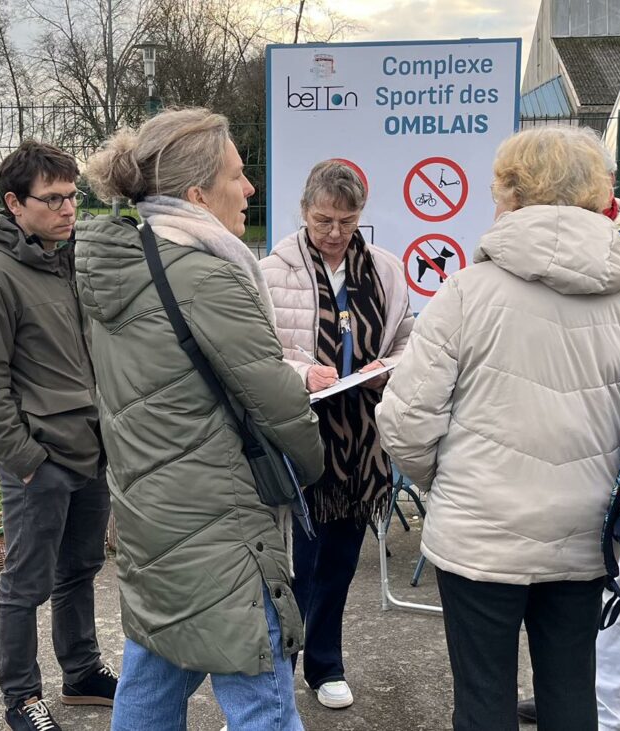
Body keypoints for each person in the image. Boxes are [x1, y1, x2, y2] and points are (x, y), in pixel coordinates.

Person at [375, 126, 620, 731]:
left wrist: (446, 481)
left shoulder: (466, 293)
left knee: (483, 698)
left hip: (480, 532)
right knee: (571, 691)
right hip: (586, 532)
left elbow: (404, 419)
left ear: (514, 193)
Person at [75, 108, 325, 731]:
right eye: (237, 176)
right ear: (196, 195)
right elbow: (276, 399)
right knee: (262, 698)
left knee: (155, 671)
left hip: (151, 513)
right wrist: (314, 464)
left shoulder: (125, 265)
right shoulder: (207, 274)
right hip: (221, 521)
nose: (250, 189)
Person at [0, 141, 116, 731]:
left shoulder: (65, 261)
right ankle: (21, 697)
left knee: (80, 569)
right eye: (52, 199)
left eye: (73, 196)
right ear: (14, 203)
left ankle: (81, 672)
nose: (68, 209)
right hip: (40, 461)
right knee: (25, 584)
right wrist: (26, 460)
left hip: (90, 451)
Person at [516, 158, 620, 731]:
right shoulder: (549, 241)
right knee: (562, 590)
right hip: (568, 442)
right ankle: (564, 698)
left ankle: (605, 715)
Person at [259, 159, 414, 710]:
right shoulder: (272, 271)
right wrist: (304, 373)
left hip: (362, 442)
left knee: (341, 562)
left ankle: (326, 663)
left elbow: (407, 337)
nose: (334, 233)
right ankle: (276, 677)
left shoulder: (386, 269)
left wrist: (385, 367)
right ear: (303, 211)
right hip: (302, 433)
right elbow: (258, 352)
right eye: (323, 220)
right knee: (297, 565)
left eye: (346, 222)